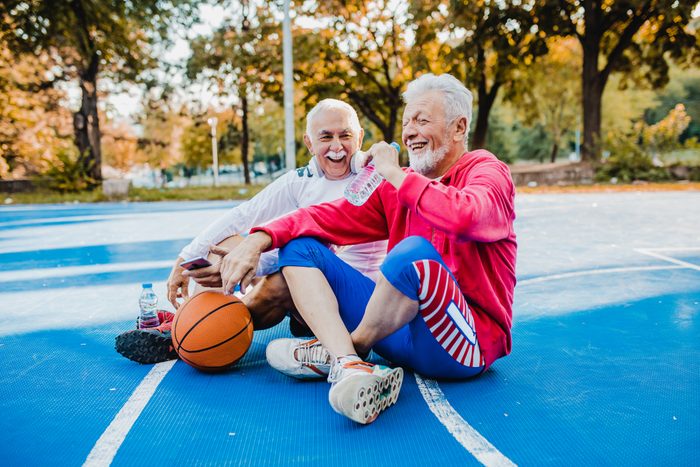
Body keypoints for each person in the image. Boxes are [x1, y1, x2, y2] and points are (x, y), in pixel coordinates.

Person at [214, 73, 517, 424]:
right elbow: (323, 217)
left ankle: (352, 347)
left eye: (422, 120)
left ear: (458, 127)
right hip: (397, 337)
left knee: (411, 254)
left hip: (462, 346)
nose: (410, 132)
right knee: (300, 247)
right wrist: (259, 239)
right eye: (406, 122)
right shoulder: (394, 188)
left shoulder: (487, 172)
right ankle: (349, 364)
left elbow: (467, 215)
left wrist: (392, 172)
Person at [115, 99, 388, 364]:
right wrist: (185, 260)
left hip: (356, 297)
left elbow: (314, 251)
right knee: (226, 248)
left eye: (346, 135)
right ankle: (191, 319)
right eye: (326, 137)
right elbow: (243, 215)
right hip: (308, 276)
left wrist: (254, 261)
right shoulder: (301, 180)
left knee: (279, 278)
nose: (337, 146)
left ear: (360, 137)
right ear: (309, 142)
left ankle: (192, 333)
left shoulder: (375, 178)